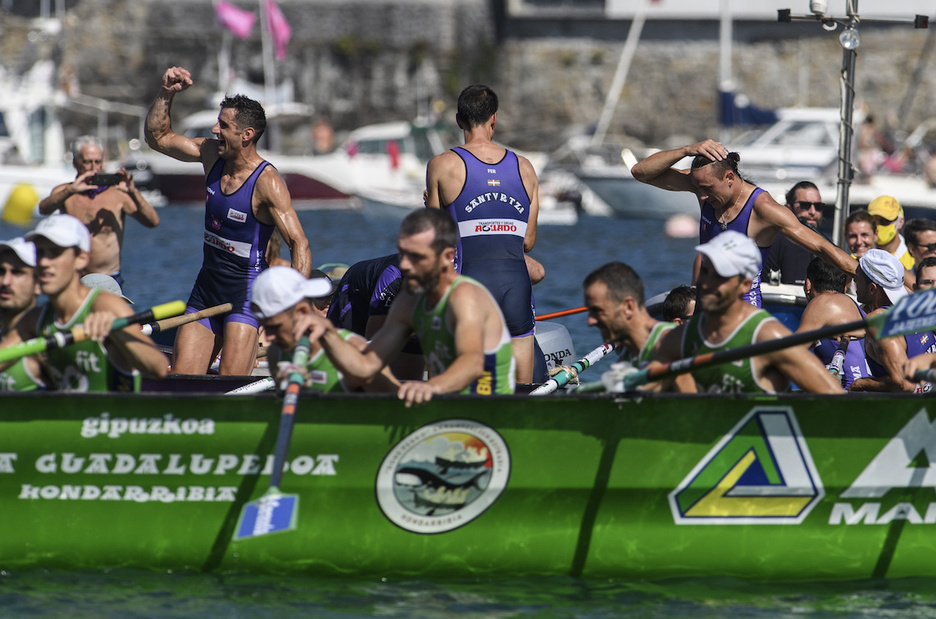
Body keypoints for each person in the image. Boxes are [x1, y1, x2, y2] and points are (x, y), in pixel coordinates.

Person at [144, 66, 312, 376]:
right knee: (182, 382)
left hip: (245, 295)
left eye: (223, 125)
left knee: (229, 388)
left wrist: (294, 309)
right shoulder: (211, 156)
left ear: (247, 135)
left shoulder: (268, 182)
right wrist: (166, 93)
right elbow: (158, 137)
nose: (214, 130)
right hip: (206, 289)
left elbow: (299, 244)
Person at [300, 208, 516, 407]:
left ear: (448, 257)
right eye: (403, 253)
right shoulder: (408, 302)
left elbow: (472, 363)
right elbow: (368, 365)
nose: (403, 264)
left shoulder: (465, 298)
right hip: (445, 411)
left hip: (489, 412)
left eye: (416, 257)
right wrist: (328, 334)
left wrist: (430, 387)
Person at [630, 140, 855, 307]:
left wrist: (867, 275)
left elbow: (821, 247)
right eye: (697, 187)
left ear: (729, 178)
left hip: (743, 317)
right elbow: (640, 172)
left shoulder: (763, 208)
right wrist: (685, 150)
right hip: (705, 311)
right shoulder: (703, 185)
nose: (701, 195)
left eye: (707, 189)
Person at [425, 84, 540, 384]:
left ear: (459, 120)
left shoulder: (442, 165)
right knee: (522, 393)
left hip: (468, 283)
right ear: (494, 119)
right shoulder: (525, 168)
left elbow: (436, 241)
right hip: (515, 283)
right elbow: (527, 242)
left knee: (457, 387)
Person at [651, 231, 843, 394]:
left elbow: (831, 393)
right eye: (705, 271)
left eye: (720, 276)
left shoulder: (767, 336)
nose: (706, 283)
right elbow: (642, 386)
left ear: (744, 285)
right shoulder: (682, 338)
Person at [0, 214, 167, 391]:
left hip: (114, 417)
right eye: (40, 253)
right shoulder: (34, 320)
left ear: (81, 259)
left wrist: (117, 332)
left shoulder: (104, 305)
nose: (44, 262)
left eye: (55, 253)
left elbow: (159, 368)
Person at [251, 266, 398, 393]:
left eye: (275, 327)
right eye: (265, 327)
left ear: (302, 311)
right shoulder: (277, 353)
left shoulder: (355, 346)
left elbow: (396, 402)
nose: (269, 338)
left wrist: (362, 372)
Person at [38, 135, 160, 288]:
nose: (93, 168)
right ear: (75, 163)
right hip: (74, 277)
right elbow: (43, 209)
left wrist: (133, 192)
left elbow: (153, 222)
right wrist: (71, 190)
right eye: (87, 162)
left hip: (108, 278)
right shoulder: (65, 192)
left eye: (98, 162)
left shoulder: (118, 193)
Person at [582, 262, 693, 392]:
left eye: (597, 310)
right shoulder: (626, 357)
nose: (590, 321)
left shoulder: (670, 341)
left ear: (628, 307)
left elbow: (695, 405)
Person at [326, 253, 425, 381]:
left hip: (400, 298)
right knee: (348, 356)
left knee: (412, 372)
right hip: (356, 296)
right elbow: (372, 341)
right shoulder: (392, 277)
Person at [849, 248, 936, 392]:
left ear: (872, 289)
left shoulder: (878, 321)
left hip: (913, 410)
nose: (854, 281)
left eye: (856, 277)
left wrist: (860, 384)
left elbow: (904, 384)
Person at [797, 257, 870, 390]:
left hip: (849, 398)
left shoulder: (823, 303)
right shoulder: (855, 309)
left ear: (808, 285)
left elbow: (791, 353)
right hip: (865, 396)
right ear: (844, 289)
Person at [0, 238, 45, 391]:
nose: (5, 281)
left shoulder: (44, 348)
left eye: (17, 272)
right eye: (1, 271)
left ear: (38, 284)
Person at [764, 181, 828, 285]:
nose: (812, 212)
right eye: (805, 205)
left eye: (818, 206)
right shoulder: (774, 240)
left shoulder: (827, 243)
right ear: (789, 208)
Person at [867, 195, 913, 271]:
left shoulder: (913, 256)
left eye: (884, 221)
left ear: (900, 222)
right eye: (873, 222)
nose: (878, 226)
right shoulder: (860, 254)